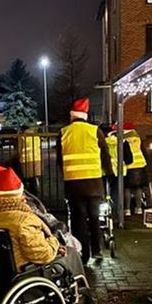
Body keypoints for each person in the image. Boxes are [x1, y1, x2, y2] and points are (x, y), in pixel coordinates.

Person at [0, 166, 99, 304]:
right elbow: (41, 254)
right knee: (71, 254)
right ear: (18, 194)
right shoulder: (23, 219)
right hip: (24, 272)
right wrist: (54, 242)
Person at [58, 98, 113, 264]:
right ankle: (97, 251)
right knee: (95, 217)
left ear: (72, 116)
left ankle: (83, 255)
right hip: (94, 185)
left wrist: (66, 174)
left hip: (74, 186)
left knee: (78, 221)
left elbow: (60, 161)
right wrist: (109, 173)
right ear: (85, 115)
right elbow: (105, 155)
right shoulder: (95, 131)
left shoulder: (63, 132)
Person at [103, 124, 133, 213]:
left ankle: (107, 212)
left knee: (105, 192)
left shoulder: (103, 142)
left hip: (105, 171)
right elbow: (129, 159)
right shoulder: (123, 142)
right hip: (119, 172)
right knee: (117, 193)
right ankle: (117, 212)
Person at [122, 122, 149, 216]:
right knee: (138, 188)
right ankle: (139, 208)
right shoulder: (138, 139)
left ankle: (127, 210)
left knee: (127, 189)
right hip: (140, 166)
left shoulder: (124, 140)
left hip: (129, 167)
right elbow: (145, 152)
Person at [17, 126, 42, 197]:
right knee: (35, 177)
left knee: (28, 179)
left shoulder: (22, 136)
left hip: (26, 159)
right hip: (37, 158)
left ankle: (31, 194)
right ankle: (37, 192)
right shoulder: (36, 136)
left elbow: (19, 149)